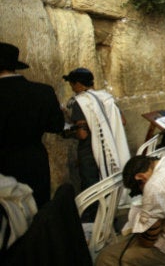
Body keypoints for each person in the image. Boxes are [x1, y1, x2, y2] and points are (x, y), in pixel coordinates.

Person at [95, 154, 165, 265]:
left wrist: (140, 220)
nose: (143, 193)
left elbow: (147, 242)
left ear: (140, 177)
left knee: (106, 256)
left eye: (140, 190)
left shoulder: (154, 185)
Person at [0, 42, 64, 208]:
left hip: (3, 167)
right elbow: (56, 126)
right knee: (37, 210)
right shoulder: (43, 91)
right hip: (34, 161)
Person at [63, 67, 130, 191]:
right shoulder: (106, 97)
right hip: (111, 148)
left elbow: (82, 134)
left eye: (72, 84)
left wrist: (69, 131)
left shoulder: (81, 102)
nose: (72, 88)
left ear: (78, 84)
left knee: (93, 190)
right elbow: (122, 121)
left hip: (90, 152)